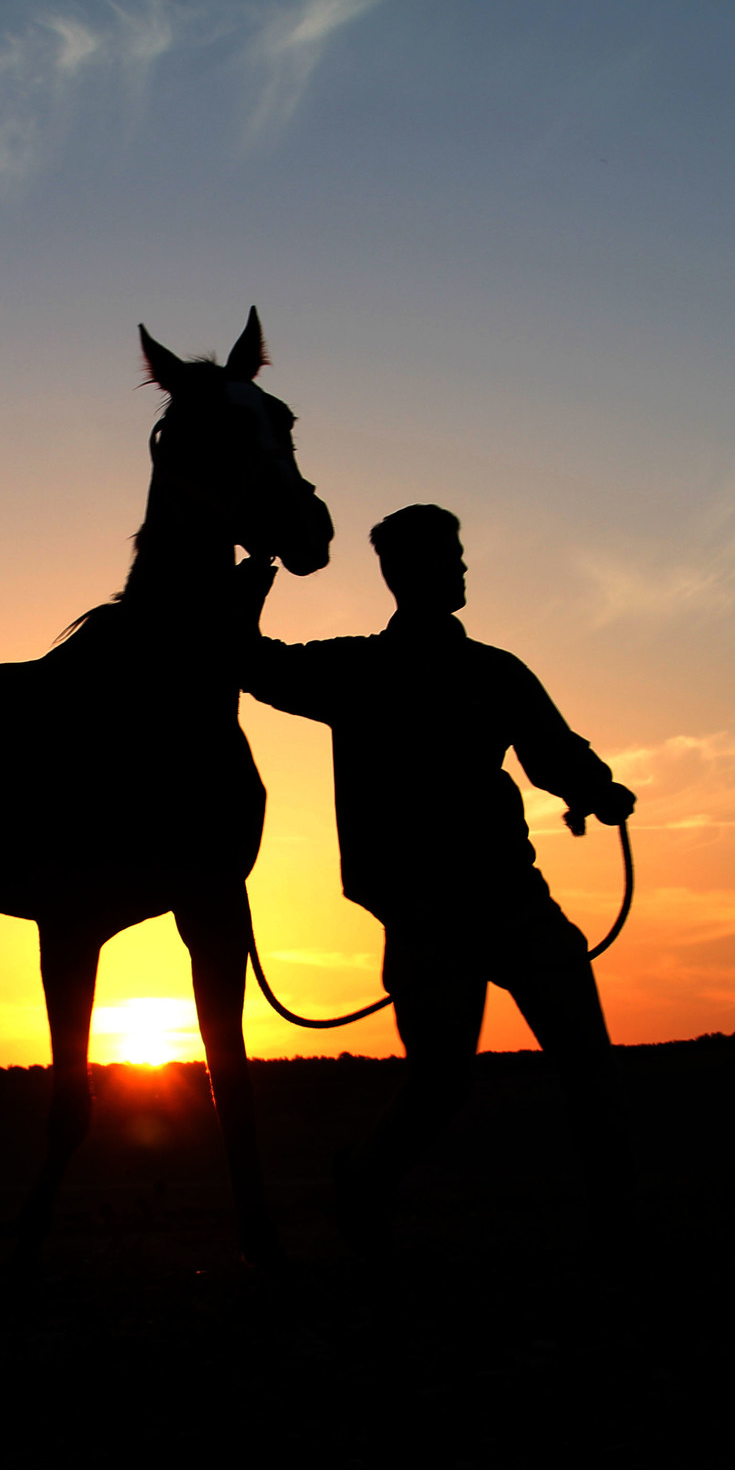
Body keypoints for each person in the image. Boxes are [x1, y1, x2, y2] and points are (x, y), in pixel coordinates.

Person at [241, 503, 637, 1233]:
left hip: (505, 899)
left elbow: (554, 754)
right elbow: (255, 666)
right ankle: (364, 1185)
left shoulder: (455, 670)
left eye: (457, 554)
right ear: (402, 571)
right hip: (434, 913)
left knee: (572, 1061)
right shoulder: (367, 668)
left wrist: (595, 787)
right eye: (447, 556)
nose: (460, 568)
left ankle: (622, 1219)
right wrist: (247, 591)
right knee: (452, 1078)